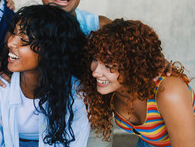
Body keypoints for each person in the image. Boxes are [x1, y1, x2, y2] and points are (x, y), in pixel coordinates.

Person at [0, 5, 90, 147]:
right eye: (13, 33)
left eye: (23, 40)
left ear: (50, 51)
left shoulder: (76, 95)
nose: (10, 42)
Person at [80, 19, 195, 147]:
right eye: (95, 60)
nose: (95, 72)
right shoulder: (109, 89)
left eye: (108, 66)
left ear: (133, 66)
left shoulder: (168, 92)